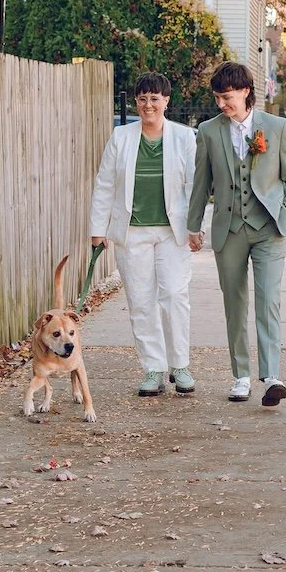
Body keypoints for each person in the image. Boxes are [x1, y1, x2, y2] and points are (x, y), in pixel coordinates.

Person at [187, 62, 286, 407]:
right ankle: (240, 375)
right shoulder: (208, 131)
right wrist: (194, 226)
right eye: (218, 98)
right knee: (234, 304)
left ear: (245, 92)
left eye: (227, 97)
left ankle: (271, 376)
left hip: (268, 228)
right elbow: (201, 184)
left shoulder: (277, 127)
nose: (222, 104)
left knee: (268, 300)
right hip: (229, 229)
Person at [89, 72, 198, 397]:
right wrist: (98, 229)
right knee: (141, 300)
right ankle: (153, 368)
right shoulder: (121, 137)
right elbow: (104, 183)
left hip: (172, 232)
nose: (148, 104)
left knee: (175, 296)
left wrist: (196, 227)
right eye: (142, 99)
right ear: (136, 102)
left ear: (166, 101)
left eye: (154, 98)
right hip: (131, 232)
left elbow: (195, 185)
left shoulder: (183, 137)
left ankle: (180, 364)